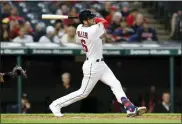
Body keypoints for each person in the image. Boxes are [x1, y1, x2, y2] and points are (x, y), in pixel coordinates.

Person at [49, 9, 147, 117]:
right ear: (85, 22)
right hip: (92, 66)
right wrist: (94, 20)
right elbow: (103, 21)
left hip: (101, 64)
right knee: (83, 93)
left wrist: (89, 19)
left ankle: (130, 108)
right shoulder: (93, 30)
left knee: (116, 84)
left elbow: (98, 22)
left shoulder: (79, 28)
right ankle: (56, 105)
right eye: (90, 18)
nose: (93, 19)